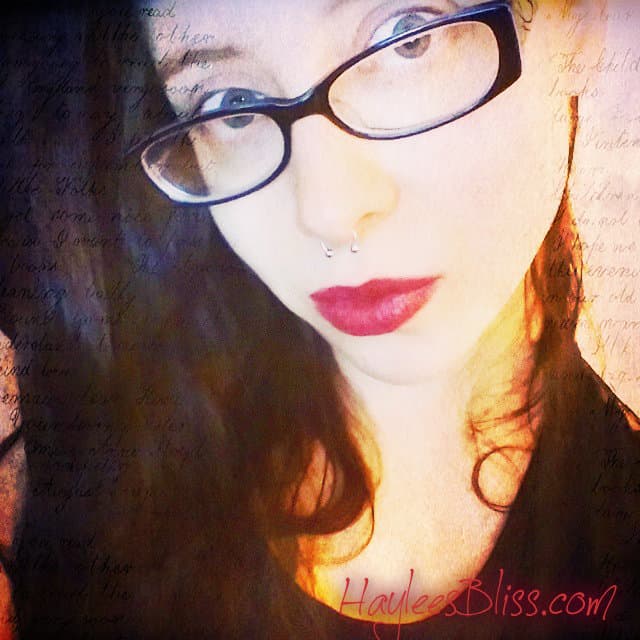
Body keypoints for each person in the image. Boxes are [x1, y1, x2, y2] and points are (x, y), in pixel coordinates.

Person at [1, 0, 639, 638]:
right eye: (231, 106)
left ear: (577, 23)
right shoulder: (124, 450)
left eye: (407, 38)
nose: (327, 212)